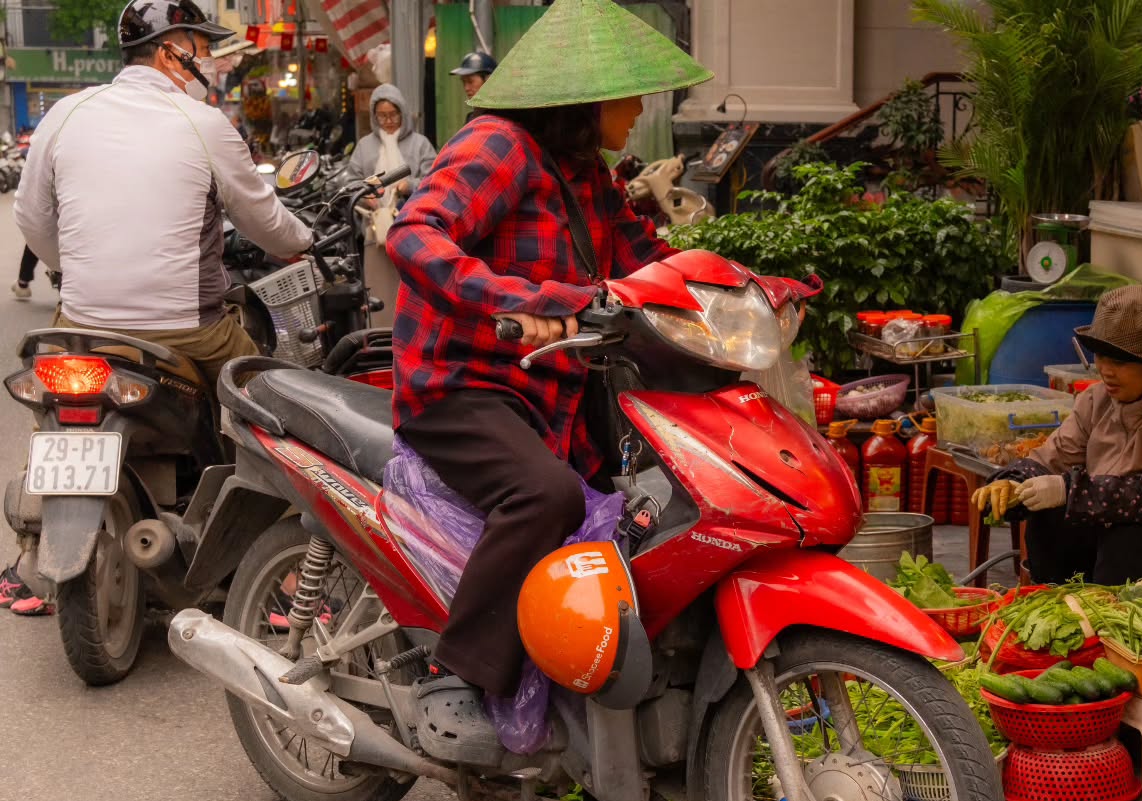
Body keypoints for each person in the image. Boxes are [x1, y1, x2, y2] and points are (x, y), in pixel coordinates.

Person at [385, 0, 711, 708]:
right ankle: (458, 679)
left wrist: (748, 289)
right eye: (628, 97)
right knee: (549, 495)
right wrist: (517, 301)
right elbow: (414, 233)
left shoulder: (588, 171)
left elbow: (647, 262)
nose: (637, 110)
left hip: (554, 393)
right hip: (464, 386)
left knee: (650, 515)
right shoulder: (497, 147)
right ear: (585, 102)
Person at [14, 0, 313, 393]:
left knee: (52, 412)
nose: (209, 62)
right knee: (265, 399)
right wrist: (304, 241)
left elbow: (31, 216)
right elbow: (264, 221)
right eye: (204, 50)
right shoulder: (206, 123)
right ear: (170, 52)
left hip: (81, 327)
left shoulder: (65, 112)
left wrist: (69, 269)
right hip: (189, 332)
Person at [969, 285, 1142, 585]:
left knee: (1127, 540)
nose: (1105, 370)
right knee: (1050, 518)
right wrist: (1012, 481)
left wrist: (1066, 489)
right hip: (1125, 524)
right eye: (1101, 357)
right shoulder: (1097, 400)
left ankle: (1105, 620)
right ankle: (1057, 601)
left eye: (1119, 362)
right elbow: (1053, 458)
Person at [347, 84, 436, 327]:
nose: (388, 121)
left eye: (393, 115)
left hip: (415, 230)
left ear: (403, 113)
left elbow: (435, 179)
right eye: (382, 116)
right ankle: (382, 339)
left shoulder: (420, 144)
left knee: (413, 290)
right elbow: (350, 181)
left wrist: (410, 186)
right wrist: (367, 195)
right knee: (380, 290)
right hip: (376, 231)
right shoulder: (365, 146)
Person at [451, 51, 498, 122]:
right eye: (464, 82)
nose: (466, 88)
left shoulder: (502, 117)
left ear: (488, 80)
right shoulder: (471, 118)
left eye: (470, 81)